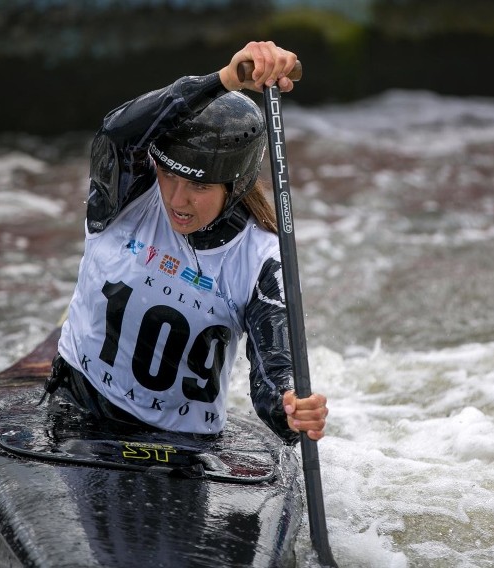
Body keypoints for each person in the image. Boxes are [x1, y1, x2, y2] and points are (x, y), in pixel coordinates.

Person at [47, 40, 328, 444]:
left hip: (183, 446)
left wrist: (291, 407)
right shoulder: (125, 196)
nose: (177, 200)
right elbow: (116, 130)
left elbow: (271, 374)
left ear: (235, 185)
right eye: (169, 176)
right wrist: (226, 80)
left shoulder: (262, 259)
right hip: (79, 408)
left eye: (198, 185)